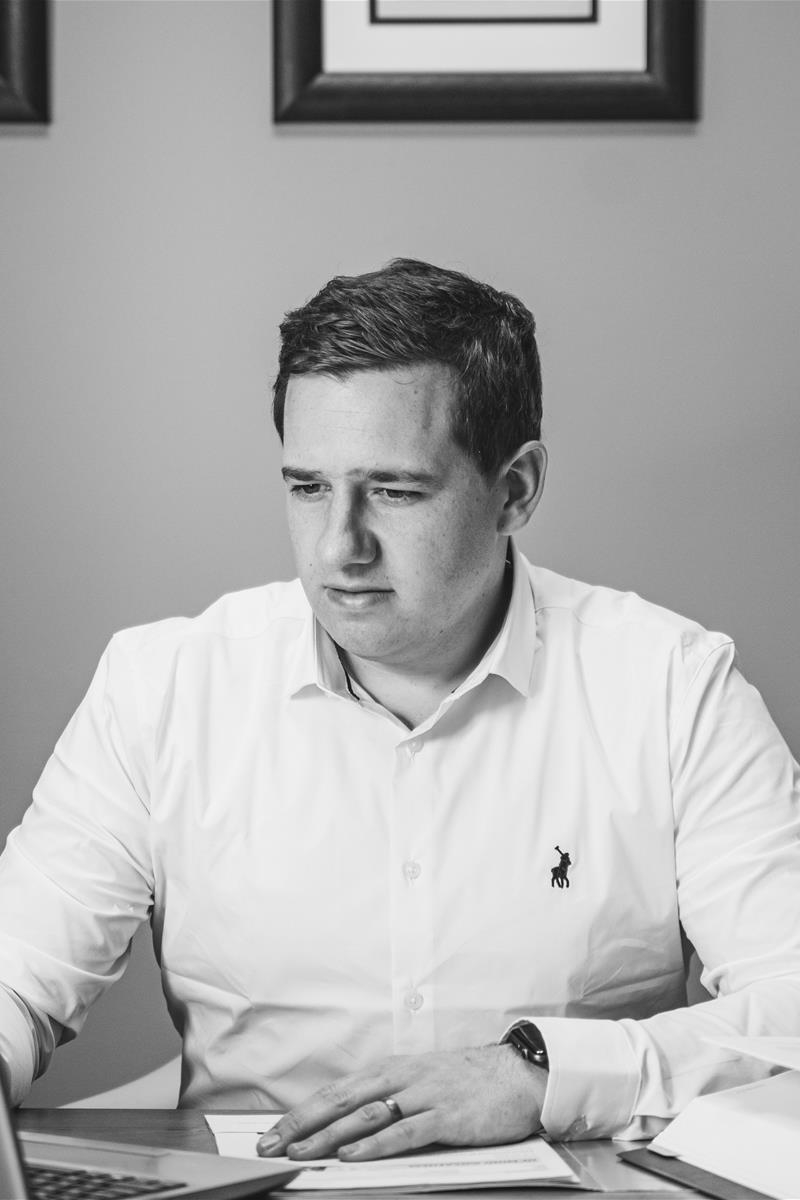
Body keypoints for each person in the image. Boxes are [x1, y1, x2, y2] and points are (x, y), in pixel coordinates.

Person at [1, 259, 799, 1163]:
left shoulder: (673, 688)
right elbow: (15, 979)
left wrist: (540, 1075)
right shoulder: (163, 687)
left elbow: (793, 1007)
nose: (339, 547)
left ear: (515, 489)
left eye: (394, 491)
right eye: (308, 487)